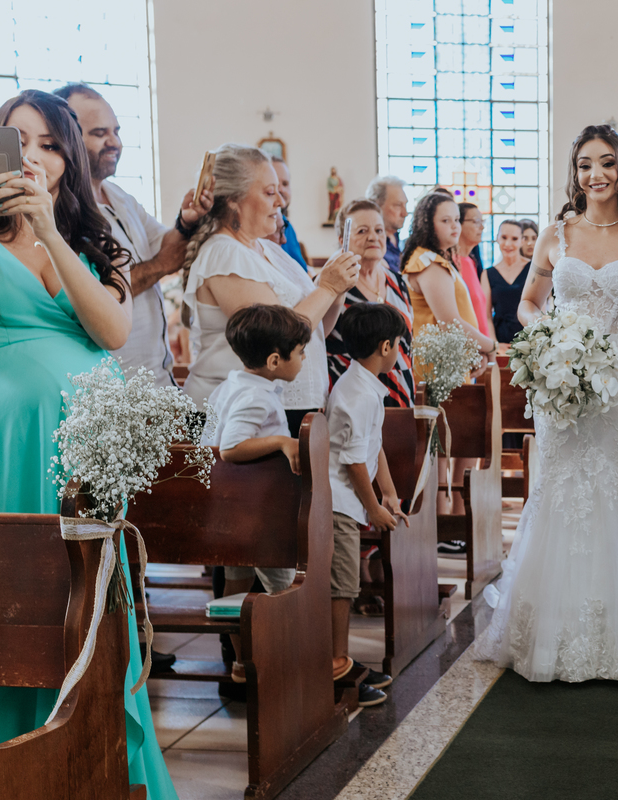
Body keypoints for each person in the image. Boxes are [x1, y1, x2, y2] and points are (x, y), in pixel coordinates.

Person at [0, 89, 177, 799]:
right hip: (3, 443)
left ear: (70, 159)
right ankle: (2, 762)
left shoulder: (96, 241)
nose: (33, 156)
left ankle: (90, 761)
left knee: (84, 599)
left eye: (50, 144)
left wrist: (47, 229)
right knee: (11, 602)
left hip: (86, 451)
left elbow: (112, 332)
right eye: (17, 141)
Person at [474, 124, 618, 683]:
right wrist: (550, 339)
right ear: (574, 172)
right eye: (584, 165)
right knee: (564, 485)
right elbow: (529, 305)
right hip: (562, 379)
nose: (595, 174)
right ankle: (554, 626)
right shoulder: (557, 234)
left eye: (606, 163)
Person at [181, 144, 359, 432]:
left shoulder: (268, 250)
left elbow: (314, 332)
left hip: (278, 407)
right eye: (268, 192)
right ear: (234, 201)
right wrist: (326, 287)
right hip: (236, 415)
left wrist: (336, 291)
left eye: (279, 190)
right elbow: (275, 339)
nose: (280, 201)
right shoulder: (224, 254)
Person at [57, 82, 213, 388]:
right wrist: (159, 266)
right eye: (99, 133)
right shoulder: (63, 208)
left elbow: (167, 246)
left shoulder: (119, 196)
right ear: (67, 138)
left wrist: (186, 221)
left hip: (159, 376)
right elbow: (93, 296)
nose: (114, 142)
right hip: (115, 386)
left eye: (116, 131)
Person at [207, 304, 311, 682]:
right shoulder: (257, 397)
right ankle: (288, 668)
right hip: (258, 513)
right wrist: (282, 442)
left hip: (230, 508)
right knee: (284, 587)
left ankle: (242, 663)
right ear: (274, 361)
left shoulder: (230, 387)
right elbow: (230, 447)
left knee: (235, 584)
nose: (304, 358)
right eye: (300, 352)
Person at [326, 302, 411, 707]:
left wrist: (389, 492)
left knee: (345, 584)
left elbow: (373, 447)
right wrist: (374, 507)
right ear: (385, 346)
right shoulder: (358, 394)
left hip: (346, 499)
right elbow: (353, 460)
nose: (399, 352)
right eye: (399, 344)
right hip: (339, 504)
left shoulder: (362, 385)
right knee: (342, 587)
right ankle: (336, 667)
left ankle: (341, 661)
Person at [326, 198, 414, 407]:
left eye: (379, 230)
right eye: (362, 231)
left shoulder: (398, 282)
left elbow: (408, 343)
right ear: (342, 240)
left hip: (401, 396)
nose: (373, 237)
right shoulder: (331, 283)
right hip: (353, 402)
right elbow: (318, 339)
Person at [400, 193, 496, 361]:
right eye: (445, 221)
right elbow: (451, 324)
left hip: (450, 361)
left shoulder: (435, 260)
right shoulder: (430, 264)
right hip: (436, 365)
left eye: (457, 220)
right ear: (428, 224)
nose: (454, 226)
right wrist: (491, 347)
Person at [487, 218, 530, 343]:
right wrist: (495, 345)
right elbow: (486, 316)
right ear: (497, 238)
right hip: (500, 342)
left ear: (522, 241)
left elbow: (539, 310)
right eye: (504, 237)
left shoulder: (532, 269)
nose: (508, 244)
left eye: (514, 239)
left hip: (528, 341)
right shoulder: (488, 273)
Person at [456, 202, 493, 338]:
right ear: (458, 224)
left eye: (482, 222)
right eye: (476, 221)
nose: (482, 227)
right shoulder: (451, 263)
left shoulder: (470, 261)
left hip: (482, 344)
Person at [271, 155, 310, 272]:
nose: (281, 189)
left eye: (285, 184)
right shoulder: (260, 229)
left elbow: (301, 271)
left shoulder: (288, 227)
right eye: (274, 183)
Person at [366, 175, 408, 273]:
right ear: (377, 206)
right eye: (398, 205)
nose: (405, 213)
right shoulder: (367, 246)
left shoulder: (401, 241)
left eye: (405, 205)